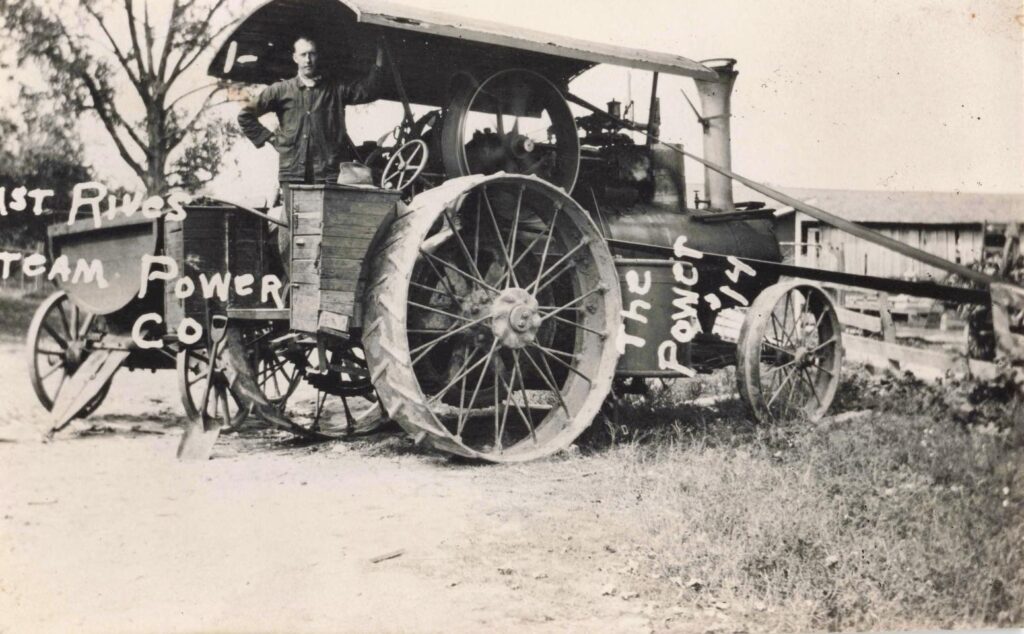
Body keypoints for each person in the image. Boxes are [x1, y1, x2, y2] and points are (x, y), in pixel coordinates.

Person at [238, 35, 384, 185]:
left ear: (317, 56)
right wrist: (271, 139)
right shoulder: (280, 90)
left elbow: (369, 90)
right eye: (303, 55)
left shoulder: (335, 90)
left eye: (312, 54)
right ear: (295, 58)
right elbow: (245, 116)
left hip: (329, 175)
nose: (308, 60)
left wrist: (379, 59)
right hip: (292, 175)